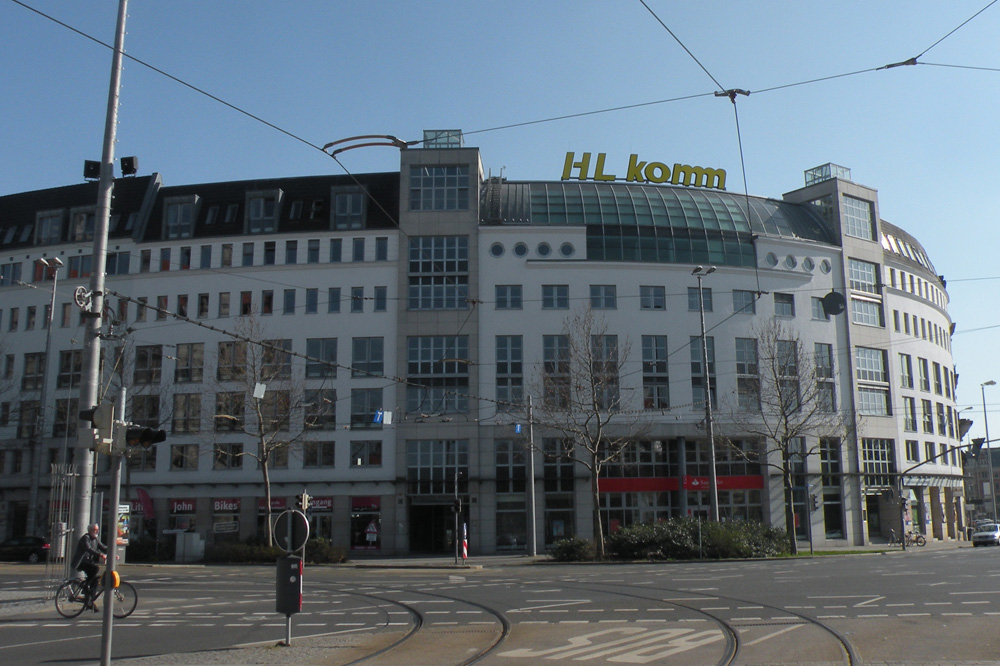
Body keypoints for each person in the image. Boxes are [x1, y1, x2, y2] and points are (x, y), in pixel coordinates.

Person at [71, 524, 107, 608]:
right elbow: (89, 549)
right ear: (89, 530)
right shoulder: (85, 538)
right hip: (80, 561)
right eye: (94, 530)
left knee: (94, 581)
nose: (96, 532)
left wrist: (113, 552)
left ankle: (90, 600)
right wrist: (100, 555)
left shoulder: (95, 539)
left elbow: (103, 547)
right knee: (95, 569)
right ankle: (85, 587)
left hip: (88, 561)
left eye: (97, 530)